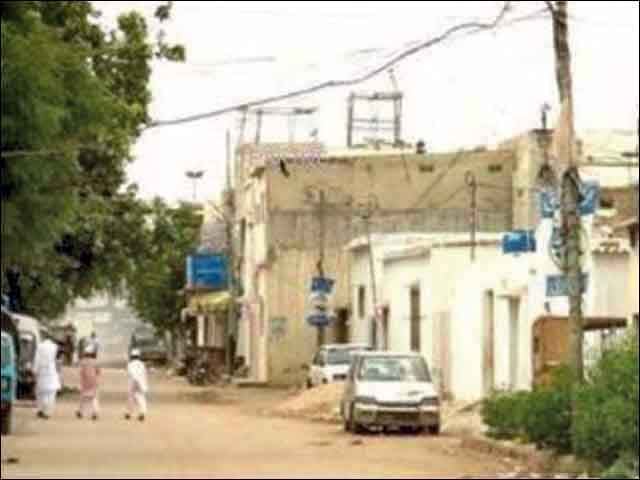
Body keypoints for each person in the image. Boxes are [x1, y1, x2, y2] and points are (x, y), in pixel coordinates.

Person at [34, 335, 61, 419]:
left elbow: (36, 359)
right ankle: (47, 412)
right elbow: (57, 361)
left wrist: (34, 370)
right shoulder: (55, 347)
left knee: (41, 393)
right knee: (51, 393)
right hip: (51, 372)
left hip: (42, 371)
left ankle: (41, 410)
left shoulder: (40, 346)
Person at [76, 344, 101, 421]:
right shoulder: (95, 362)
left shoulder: (82, 362)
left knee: (83, 398)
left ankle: (80, 412)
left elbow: (81, 372)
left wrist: (81, 381)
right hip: (94, 381)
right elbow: (98, 372)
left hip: (85, 381)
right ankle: (95, 412)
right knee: (94, 398)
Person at [126, 349, 148, 422]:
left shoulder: (130, 364)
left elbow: (130, 373)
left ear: (132, 356)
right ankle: (142, 413)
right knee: (141, 398)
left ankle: (129, 413)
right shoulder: (142, 364)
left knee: (131, 398)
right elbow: (144, 374)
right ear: (139, 356)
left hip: (132, 383)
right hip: (141, 383)